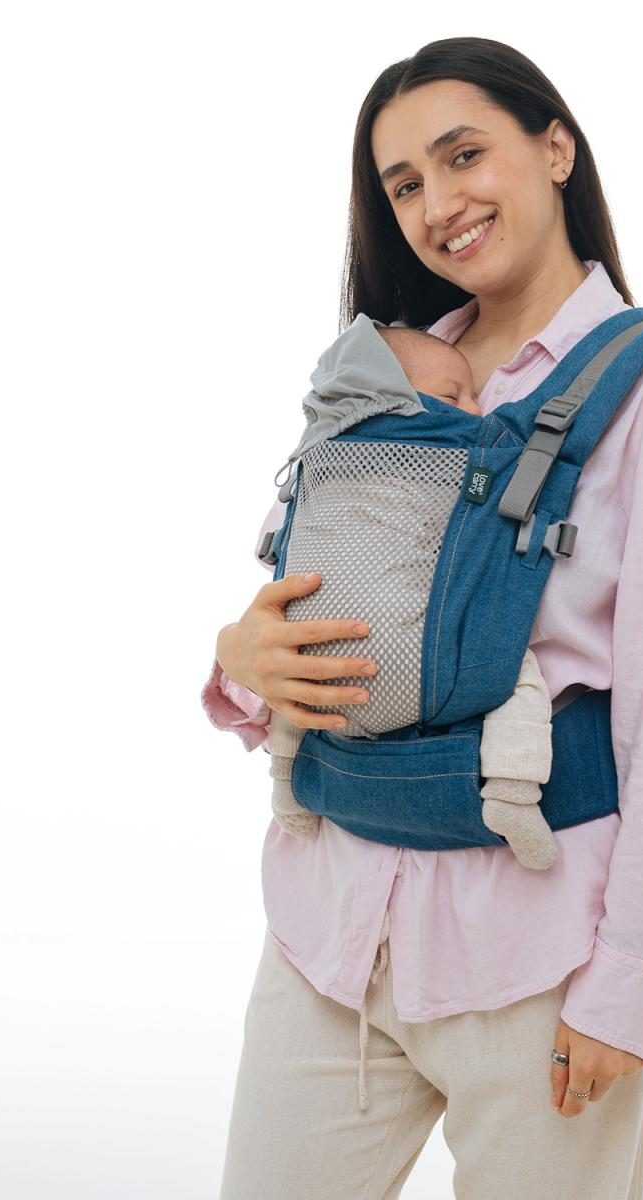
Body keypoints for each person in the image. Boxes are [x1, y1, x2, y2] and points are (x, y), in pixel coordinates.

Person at [202, 35, 643, 1199]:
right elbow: (319, 579)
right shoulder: (384, 373)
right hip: (330, 927)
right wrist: (243, 657)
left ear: (556, 148)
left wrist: (638, 988)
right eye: (404, 183)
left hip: (542, 964)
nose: (437, 204)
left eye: (464, 156)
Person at [266, 315, 559, 871]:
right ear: (392, 398)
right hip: (420, 659)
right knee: (513, 674)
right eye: (453, 396)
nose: (475, 409)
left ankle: (285, 779)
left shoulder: (318, 458)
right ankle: (512, 792)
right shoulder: (453, 457)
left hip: (314, 652)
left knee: (292, 698)